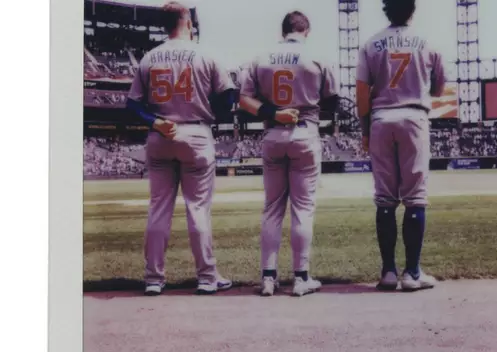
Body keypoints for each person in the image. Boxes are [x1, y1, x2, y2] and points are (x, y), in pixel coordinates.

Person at [126, 1, 236, 296]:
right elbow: (228, 97)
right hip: (196, 132)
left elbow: (132, 105)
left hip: (160, 134)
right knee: (197, 209)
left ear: (164, 26)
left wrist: (155, 121)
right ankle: (207, 277)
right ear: (188, 22)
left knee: (158, 209)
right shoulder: (206, 53)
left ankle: (153, 279)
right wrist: (208, 109)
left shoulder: (149, 57)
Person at [239, 11, 339, 297]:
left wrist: (275, 112)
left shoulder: (260, 57)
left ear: (283, 31)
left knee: (272, 208)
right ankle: (301, 278)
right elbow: (333, 101)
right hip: (306, 131)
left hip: (272, 132)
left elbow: (244, 99)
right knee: (303, 208)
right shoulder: (317, 55)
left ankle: (268, 278)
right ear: (305, 30)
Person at [356, 0, 446, 292]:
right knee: (415, 197)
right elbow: (439, 89)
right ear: (412, 10)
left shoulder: (370, 45)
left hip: (381, 119)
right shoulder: (429, 42)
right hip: (414, 117)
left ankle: (388, 273)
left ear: (386, 10)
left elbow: (361, 96)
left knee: (384, 198)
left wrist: (365, 131)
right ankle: (412, 274)